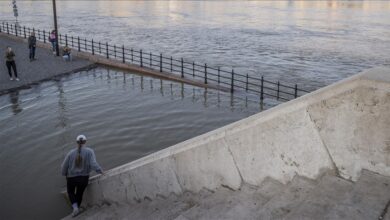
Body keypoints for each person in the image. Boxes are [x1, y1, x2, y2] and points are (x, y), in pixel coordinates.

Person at [61, 135, 103, 217]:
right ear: (85, 141)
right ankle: (77, 208)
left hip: (71, 178)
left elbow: (64, 166)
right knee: (79, 193)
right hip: (84, 178)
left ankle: (75, 208)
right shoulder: (90, 151)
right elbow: (93, 164)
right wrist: (100, 171)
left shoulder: (71, 153)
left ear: (76, 142)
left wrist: (64, 174)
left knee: (70, 192)